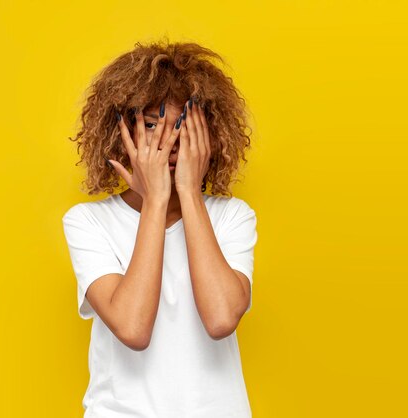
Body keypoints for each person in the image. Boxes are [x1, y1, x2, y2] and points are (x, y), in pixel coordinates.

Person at [62, 39, 258, 417]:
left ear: (209, 134)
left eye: (183, 126)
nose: (168, 142)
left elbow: (221, 320)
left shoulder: (233, 216)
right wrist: (154, 200)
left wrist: (187, 191)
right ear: (121, 133)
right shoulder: (87, 222)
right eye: (151, 125)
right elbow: (133, 328)